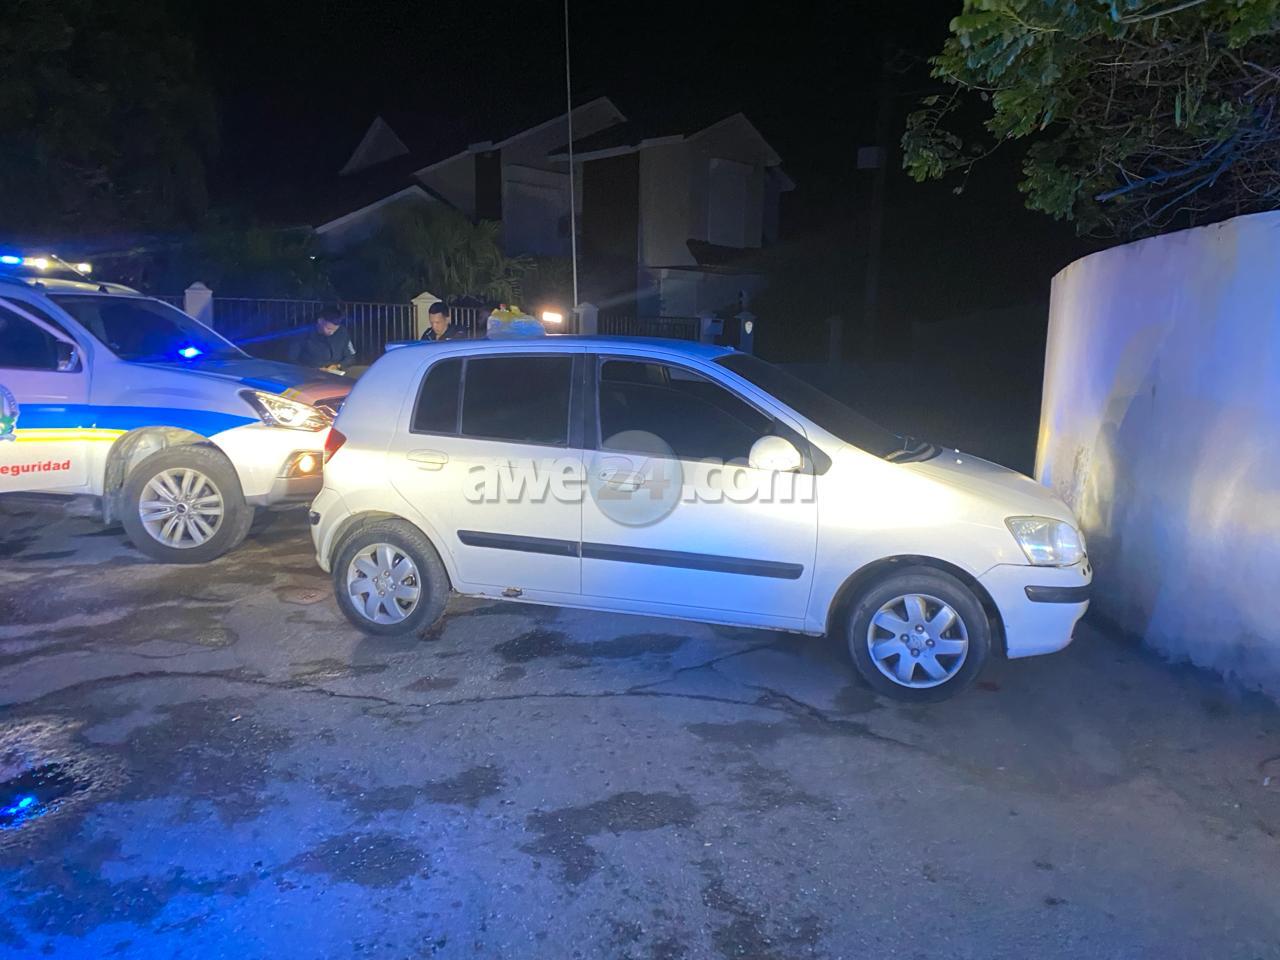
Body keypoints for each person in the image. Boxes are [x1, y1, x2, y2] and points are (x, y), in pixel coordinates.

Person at [289, 309, 356, 371]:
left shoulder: (343, 332)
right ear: (320, 321)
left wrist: (338, 365)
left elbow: (350, 355)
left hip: (337, 372)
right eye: (328, 328)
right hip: (309, 374)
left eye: (335, 329)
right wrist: (312, 370)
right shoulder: (302, 334)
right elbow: (291, 360)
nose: (331, 332)